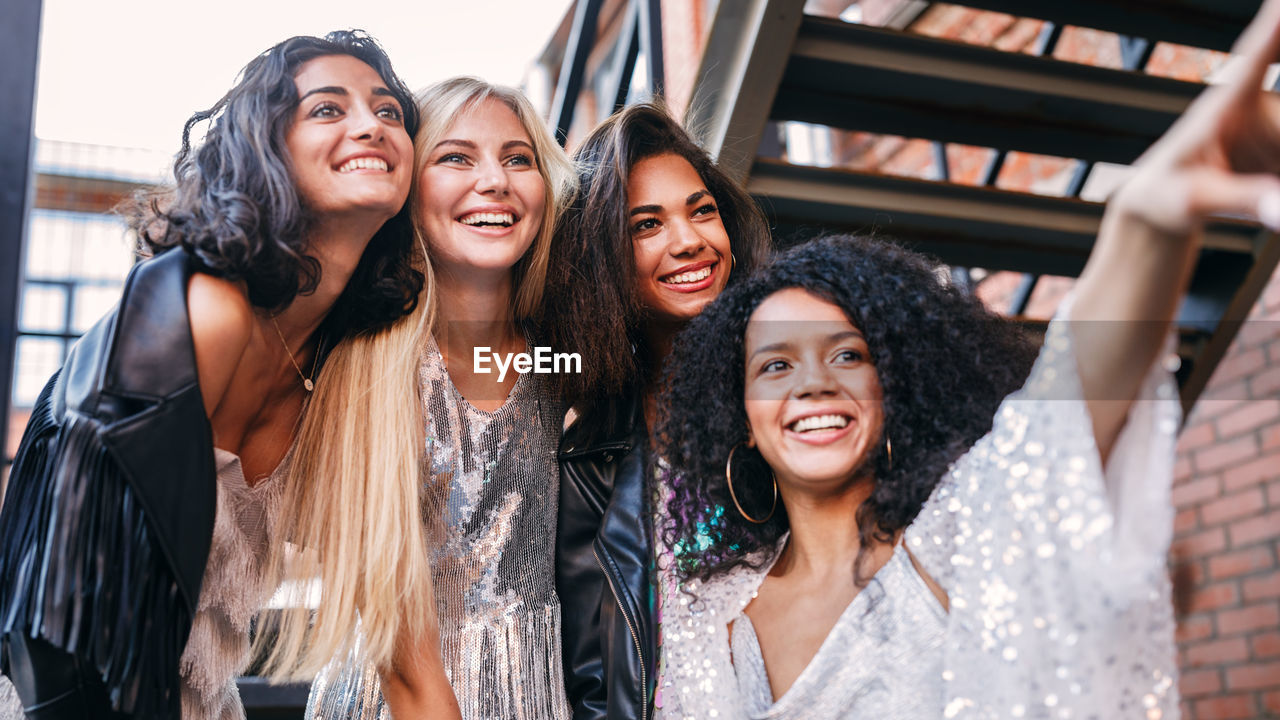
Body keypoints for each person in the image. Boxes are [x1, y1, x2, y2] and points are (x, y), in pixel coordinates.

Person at [650, 1, 1280, 715]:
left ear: (894, 388)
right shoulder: (707, 623)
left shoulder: (963, 540)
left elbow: (1067, 402)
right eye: (775, 366)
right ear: (742, 418)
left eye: (849, 354)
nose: (815, 384)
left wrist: (1146, 218)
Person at [0, 31, 435, 720]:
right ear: (267, 148)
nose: (370, 126)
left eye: (389, 113)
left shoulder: (343, 374)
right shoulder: (208, 311)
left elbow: (410, 663)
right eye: (327, 109)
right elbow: (56, 622)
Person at [305, 76, 577, 720]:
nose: (495, 181)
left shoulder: (565, 356)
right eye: (456, 157)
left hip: (543, 693)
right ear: (408, 187)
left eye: (519, 158)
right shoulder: (362, 361)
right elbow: (396, 646)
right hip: (393, 699)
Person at [543, 102, 771, 720]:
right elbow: (591, 665)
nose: (689, 241)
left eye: (702, 211)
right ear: (602, 256)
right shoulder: (583, 442)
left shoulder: (786, 393)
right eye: (647, 225)